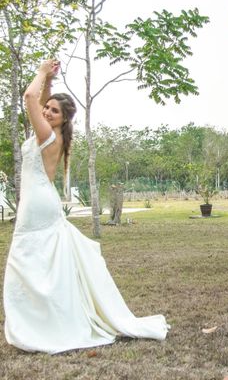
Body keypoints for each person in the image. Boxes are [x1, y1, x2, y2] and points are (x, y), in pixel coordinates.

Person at [3, 59, 169, 354]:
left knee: (28, 263)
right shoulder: (52, 133)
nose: (47, 111)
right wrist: (50, 82)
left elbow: (29, 98)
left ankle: (45, 323)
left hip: (38, 206)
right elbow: (39, 101)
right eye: (48, 108)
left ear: (63, 120)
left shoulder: (48, 135)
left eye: (54, 111)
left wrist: (41, 72)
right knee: (38, 264)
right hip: (38, 202)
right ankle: (43, 320)